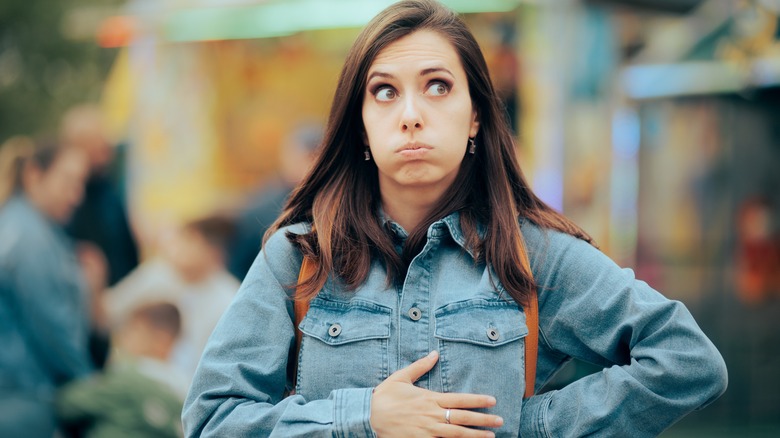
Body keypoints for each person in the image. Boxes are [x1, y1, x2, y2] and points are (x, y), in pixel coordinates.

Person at [182, 1, 728, 437]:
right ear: (361, 128)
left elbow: (686, 361)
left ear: (475, 117)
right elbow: (211, 417)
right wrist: (360, 419)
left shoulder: (533, 255)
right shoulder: (301, 256)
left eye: (437, 86)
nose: (412, 114)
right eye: (385, 92)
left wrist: (525, 425)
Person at [0, 136, 93, 437]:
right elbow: (53, 326)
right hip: (24, 398)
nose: (77, 195)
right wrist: (93, 385)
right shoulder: (29, 239)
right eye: (68, 180)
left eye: (81, 184)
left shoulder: (22, 226)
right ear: (34, 175)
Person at [105, 215, 239, 382]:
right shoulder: (158, 274)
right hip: (134, 375)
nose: (182, 248)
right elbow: (108, 313)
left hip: (188, 386)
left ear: (215, 253)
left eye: (194, 242)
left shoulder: (229, 297)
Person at [56, 301, 186, 438]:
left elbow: (68, 404)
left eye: (134, 330)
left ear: (161, 341)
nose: (122, 337)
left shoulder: (127, 378)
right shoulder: (184, 388)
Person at [227, 122, 322, 280]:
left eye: (315, 157)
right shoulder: (258, 209)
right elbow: (238, 269)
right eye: (306, 157)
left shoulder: (335, 204)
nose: (310, 166)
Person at [61, 104, 139, 287]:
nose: (107, 146)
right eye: (99, 141)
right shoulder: (70, 196)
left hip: (123, 286)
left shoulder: (108, 185)